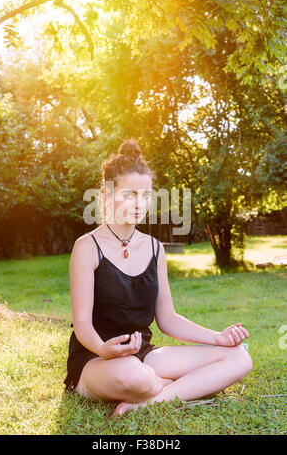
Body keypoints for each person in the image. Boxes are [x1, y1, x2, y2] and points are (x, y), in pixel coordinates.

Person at [64, 138, 252, 416]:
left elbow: (168, 319)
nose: (140, 203)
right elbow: (81, 324)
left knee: (239, 358)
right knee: (134, 375)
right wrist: (104, 350)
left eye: (146, 195)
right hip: (97, 359)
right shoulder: (87, 247)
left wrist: (218, 338)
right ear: (106, 194)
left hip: (144, 355)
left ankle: (148, 402)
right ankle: (185, 386)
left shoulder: (155, 248)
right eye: (130, 194)